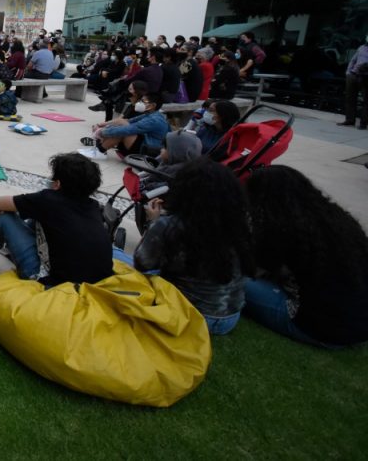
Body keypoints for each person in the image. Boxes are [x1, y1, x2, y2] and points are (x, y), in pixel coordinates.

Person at [244, 166, 368, 347]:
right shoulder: (337, 220)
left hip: (317, 326)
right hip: (359, 326)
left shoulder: (282, 229)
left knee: (229, 278)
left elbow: (250, 268)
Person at [131, 159, 252, 334]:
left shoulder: (170, 226)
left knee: (116, 254)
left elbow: (142, 264)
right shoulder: (239, 225)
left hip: (188, 314)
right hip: (229, 318)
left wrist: (153, 223)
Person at [0, 152, 112, 285]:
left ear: (57, 184)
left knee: (3, 215)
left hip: (52, 281)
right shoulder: (94, 207)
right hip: (96, 282)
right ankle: (10, 247)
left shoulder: (49, 200)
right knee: (40, 217)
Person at [81, 92, 169, 160]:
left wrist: (103, 132)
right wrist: (103, 126)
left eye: (143, 101)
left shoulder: (155, 119)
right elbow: (127, 121)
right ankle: (100, 148)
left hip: (148, 150)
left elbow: (129, 129)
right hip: (144, 144)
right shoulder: (151, 114)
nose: (140, 103)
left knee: (124, 129)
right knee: (122, 123)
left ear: (153, 105)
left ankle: (100, 150)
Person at [338, 34, 368, 129]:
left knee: (366, 101)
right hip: (353, 75)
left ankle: (363, 123)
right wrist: (348, 72)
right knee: (350, 98)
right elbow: (353, 60)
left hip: (365, 77)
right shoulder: (362, 47)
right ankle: (350, 120)